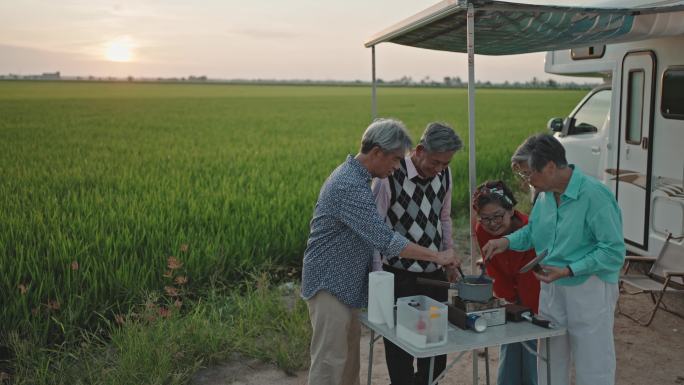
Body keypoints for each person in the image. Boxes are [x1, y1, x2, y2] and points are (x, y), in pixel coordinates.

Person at [301, 118, 459, 385]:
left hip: (345, 284)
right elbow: (385, 240)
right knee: (330, 364)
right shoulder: (349, 184)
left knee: (348, 361)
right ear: (377, 153)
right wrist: (438, 256)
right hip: (329, 282)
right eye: (395, 159)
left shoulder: (359, 178)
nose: (397, 166)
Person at [482, 134, 625, 385]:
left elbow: (612, 252)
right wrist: (505, 242)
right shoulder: (545, 196)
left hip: (589, 287)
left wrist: (570, 270)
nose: (527, 181)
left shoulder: (595, 195)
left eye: (529, 174)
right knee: (549, 360)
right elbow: (533, 232)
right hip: (552, 286)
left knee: (593, 363)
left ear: (549, 167)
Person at [371, 122, 462, 385]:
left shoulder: (445, 175)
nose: (439, 169)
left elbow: (444, 218)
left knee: (434, 345)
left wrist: (449, 258)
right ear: (419, 150)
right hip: (399, 275)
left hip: (434, 275)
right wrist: (379, 278)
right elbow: (376, 231)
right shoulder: (389, 176)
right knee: (400, 347)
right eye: (435, 162)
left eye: (445, 164)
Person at [472, 180, 540, 385]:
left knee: (532, 350)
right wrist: (506, 299)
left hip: (535, 293)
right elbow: (493, 268)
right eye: (485, 218)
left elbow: (532, 274)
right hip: (508, 294)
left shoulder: (531, 229)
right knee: (510, 340)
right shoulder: (482, 231)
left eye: (497, 216)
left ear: (511, 210)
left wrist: (527, 304)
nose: (492, 223)